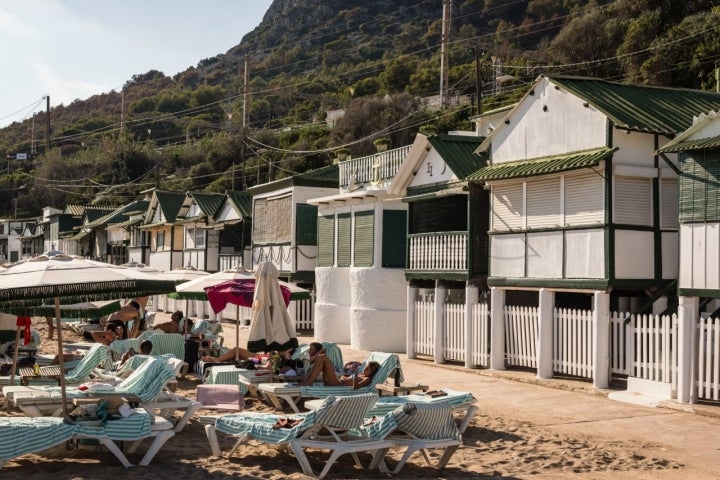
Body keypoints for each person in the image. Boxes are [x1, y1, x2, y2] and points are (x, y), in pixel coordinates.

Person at [300, 355, 380, 388]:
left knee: (323, 357)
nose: (365, 369)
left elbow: (356, 387)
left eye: (367, 369)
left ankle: (308, 382)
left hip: (337, 384)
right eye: (366, 367)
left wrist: (354, 374)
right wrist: (345, 377)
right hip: (338, 381)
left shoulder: (367, 379)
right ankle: (307, 381)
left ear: (372, 373)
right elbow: (346, 378)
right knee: (320, 357)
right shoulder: (361, 374)